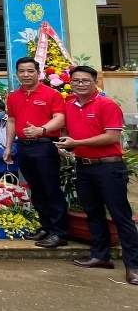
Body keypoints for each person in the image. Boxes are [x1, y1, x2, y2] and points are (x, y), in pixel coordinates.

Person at [57, 65, 138, 285]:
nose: (80, 84)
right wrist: (66, 144)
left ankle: (133, 265)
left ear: (95, 82)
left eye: (85, 80)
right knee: (93, 212)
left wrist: (77, 142)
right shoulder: (70, 105)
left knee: (120, 216)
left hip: (109, 167)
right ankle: (101, 256)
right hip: (84, 167)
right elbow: (68, 131)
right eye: (76, 81)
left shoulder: (107, 104)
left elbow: (111, 137)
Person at [5, 56, 68, 249]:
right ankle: (46, 227)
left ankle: (59, 233)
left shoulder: (51, 94)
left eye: (30, 71)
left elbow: (60, 118)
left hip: (44, 146)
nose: (26, 74)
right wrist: (8, 146)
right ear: (16, 74)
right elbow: (12, 121)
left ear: (38, 73)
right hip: (23, 147)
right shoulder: (13, 96)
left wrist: (42, 129)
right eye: (21, 71)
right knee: (36, 189)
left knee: (51, 189)